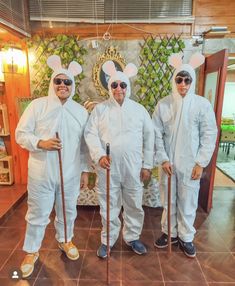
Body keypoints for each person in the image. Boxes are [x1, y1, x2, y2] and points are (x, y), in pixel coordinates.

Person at [15, 55, 89, 278]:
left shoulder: (80, 111)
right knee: (37, 212)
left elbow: (84, 146)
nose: (63, 86)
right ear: (52, 83)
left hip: (70, 172)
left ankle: (65, 240)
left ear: (72, 85)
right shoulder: (38, 106)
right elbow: (21, 134)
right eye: (58, 81)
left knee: (68, 211)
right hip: (42, 172)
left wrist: (85, 170)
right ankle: (31, 251)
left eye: (67, 82)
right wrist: (40, 143)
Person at [84, 60, 154, 258]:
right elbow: (90, 134)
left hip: (133, 168)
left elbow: (150, 137)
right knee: (108, 204)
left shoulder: (139, 110)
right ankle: (108, 239)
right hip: (108, 168)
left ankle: (132, 237)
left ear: (128, 86)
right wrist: (98, 156)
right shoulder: (100, 110)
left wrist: (147, 164)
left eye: (122, 85)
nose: (119, 89)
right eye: (114, 85)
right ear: (109, 87)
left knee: (133, 203)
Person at [152, 52, 217, 258]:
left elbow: (209, 134)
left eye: (187, 80)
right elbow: (155, 133)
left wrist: (200, 163)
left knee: (188, 200)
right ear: (174, 80)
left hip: (190, 164)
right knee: (168, 199)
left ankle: (186, 236)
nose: (183, 84)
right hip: (168, 163)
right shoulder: (163, 104)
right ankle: (169, 233)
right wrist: (162, 158)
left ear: (192, 81)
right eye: (179, 79)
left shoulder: (202, 105)